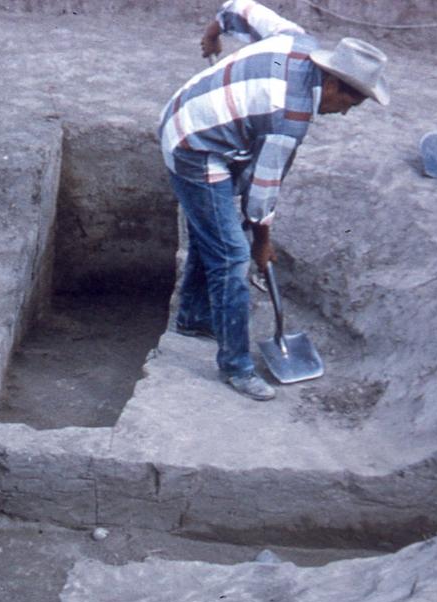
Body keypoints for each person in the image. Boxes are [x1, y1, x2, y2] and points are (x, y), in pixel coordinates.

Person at [159, 0, 388, 401]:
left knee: (213, 231)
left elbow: (242, 8)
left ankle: (194, 318)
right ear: (333, 85)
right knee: (232, 255)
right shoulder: (291, 117)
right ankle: (235, 367)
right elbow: (261, 194)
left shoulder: (299, 41)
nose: (345, 114)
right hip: (193, 145)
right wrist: (261, 245)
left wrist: (213, 30)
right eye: (349, 104)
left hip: (202, 123)